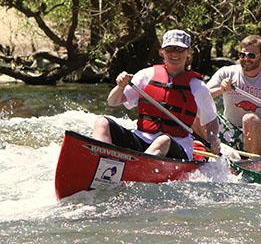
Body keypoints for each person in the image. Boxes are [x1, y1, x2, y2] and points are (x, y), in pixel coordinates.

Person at [92, 29, 220, 160]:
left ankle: (134, 169)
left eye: (180, 49)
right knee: (102, 123)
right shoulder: (146, 75)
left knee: (162, 140)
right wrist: (120, 86)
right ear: (162, 52)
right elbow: (112, 102)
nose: (174, 53)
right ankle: (100, 161)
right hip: (142, 139)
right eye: (170, 49)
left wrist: (212, 138)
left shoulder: (197, 86)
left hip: (177, 146)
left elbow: (211, 120)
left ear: (188, 53)